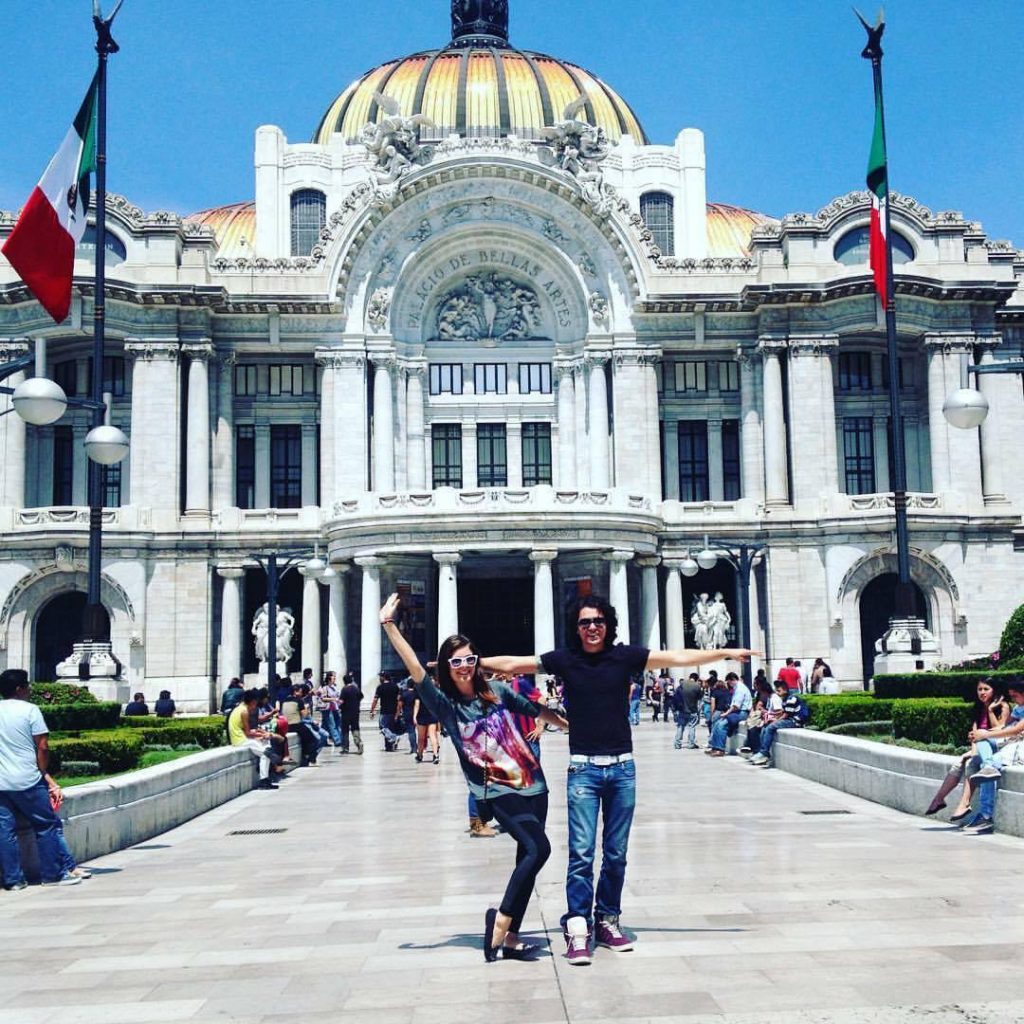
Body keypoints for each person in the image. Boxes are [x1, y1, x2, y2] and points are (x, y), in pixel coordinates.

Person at [482, 593, 755, 966]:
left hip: (623, 769)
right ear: (576, 628)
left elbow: (676, 657)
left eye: (598, 621)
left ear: (608, 624)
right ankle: (578, 924)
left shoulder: (625, 656)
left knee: (616, 853)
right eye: (584, 622)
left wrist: (725, 653)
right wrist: (466, 663)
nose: (592, 628)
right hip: (584, 769)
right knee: (581, 853)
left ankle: (608, 919)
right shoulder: (565, 660)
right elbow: (515, 663)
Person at [379, 593, 569, 962]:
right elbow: (415, 668)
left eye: (469, 659)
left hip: (534, 783)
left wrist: (572, 725)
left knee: (527, 859)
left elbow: (536, 710)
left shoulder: (497, 691)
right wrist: (388, 625)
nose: (464, 666)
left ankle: (511, 938)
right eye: (456, 661)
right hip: (496, 790)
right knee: (540, 849)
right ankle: (500, 922)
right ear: (446, 667)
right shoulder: (444, 704)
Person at [0, 668, 82, 888]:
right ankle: (52, 875)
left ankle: (13, 880)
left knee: (5, 831)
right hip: (27, 779)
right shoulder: (30, 710)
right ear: (19, 689)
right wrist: (43, 771)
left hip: (1, 783)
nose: (29, 689)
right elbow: (43, 746)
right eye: (27, 685)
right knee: (46, 826)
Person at [959, 677, 1024, 835]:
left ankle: (986, 816)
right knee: (983, 744)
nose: (1013, 699)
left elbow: (1016, 730)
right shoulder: (1018, 708)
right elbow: (1004, 727)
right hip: (1010, 743)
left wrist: (985, 734)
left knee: (986, 762)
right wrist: (981, 733)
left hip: (1018, 747)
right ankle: (988, 765)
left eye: (1015, 696)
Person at [944, 678, 1010, 824]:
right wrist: (973, 749)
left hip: (999, 745)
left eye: (986, 689)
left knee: (976, 762)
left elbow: (1001, 730)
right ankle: (942, 800)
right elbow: (976, 735)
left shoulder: (1003, 706)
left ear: (994, 691)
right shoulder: (978, 708)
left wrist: (991, 710)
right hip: (983, 747)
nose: (982, 692)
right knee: (969, 761)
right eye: (980, 689)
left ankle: (965, 804)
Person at [228, 688, 284, 790]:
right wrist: (261, 735)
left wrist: (260, 735)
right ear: (253, 702)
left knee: (266, 750)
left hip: (241, 738)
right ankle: (264, 779)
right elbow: (248, 733)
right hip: (240, 740)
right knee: (266, 753)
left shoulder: (240, 708)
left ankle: (266, 776)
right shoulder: (244, 712)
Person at [748, 693, 806, 766]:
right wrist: (772, 715)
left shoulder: (791, 699)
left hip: (794, 721)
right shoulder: (785, 699)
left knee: (770, 727)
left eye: (779, 690)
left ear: (785, 689)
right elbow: (782, 712)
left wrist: (776, 720)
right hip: (788, 720)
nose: (777, 693)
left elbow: (786, 715)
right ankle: (761, 752)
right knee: (765, 727)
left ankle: (764, 753)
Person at [707, 672, 752, 757]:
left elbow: (736, 706)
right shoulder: (736, 688)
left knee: (722, 725)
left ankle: (720, 749)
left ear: (732, 680)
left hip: (742, 713)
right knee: (717, 724)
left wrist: (726, 713)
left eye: (728, 682)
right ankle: (715, 747)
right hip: (736, 712)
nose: (728, 685)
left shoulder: (740, 689)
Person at [280, 682, 320, 766]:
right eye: (300, 692)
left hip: (286, 726)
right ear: (295, 692)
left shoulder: (284, 701)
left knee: (305, 739)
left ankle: (304, 759)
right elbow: (304, 715)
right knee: (313, 740)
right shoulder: (299, 700)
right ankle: (312, 760)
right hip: (296, 725)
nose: (301, 694)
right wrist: (307, 708)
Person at [371, 671, 403, 753]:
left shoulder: (380, 687)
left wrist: (372, 710)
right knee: (390, 728)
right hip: (393, 710)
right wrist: (398, 711)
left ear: (383, 677)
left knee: (383, 727)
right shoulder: (395, 686)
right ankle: (389, 746)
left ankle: (394, 737)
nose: (379, 678)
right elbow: (399, 700)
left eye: (380, 677)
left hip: (384, 711)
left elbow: (375, 700)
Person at [413, 682, 441, 764]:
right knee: (433, 735)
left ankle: (420, 755)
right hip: (432, 715)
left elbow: (417, 705)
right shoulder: (434, 692)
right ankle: (435, 755)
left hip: (421, 715)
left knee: (421, 738)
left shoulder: (419, 692)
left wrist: (414, 716)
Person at [671, 673, 701, 750]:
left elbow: (675, 696)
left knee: (680, 726)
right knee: (692, 727)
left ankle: (677, 744)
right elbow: (699, 697)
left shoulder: (682, 684)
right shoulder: (697, 686)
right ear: (696, 679)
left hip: (682, 710)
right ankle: (691, 744)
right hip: (692, 710)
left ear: (689, 677)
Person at [317, 671, 343, 749]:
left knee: (325, 725)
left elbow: (338, 695)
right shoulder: (324, 687)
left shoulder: (334, 687)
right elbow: (323, 698)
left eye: (335, 676)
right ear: (329, 677)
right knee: (332, 724)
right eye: (333, 676)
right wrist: (334, 699)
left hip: (335, 707)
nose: (334, 678)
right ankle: (337, 740)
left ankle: (323, 740)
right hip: (327, 708)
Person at [339, 671, 364, 755]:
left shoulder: (344, 689)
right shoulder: (356, 688)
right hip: (355, 711)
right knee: (355, 728)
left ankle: (345, 748)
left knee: (345, 730)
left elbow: (341, 701)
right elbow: (361, 696)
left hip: (346, 712)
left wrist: (339, 705)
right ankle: (359, 743)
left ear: (344, 681)